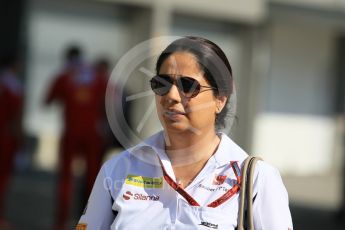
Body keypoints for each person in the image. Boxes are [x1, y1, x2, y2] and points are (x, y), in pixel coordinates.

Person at [77, 36, 293, 229]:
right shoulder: (118, 170)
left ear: (221, 99)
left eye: (187, 85)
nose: (171, 95)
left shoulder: (256, 180)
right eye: (161, 83)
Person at [45, 46, 107, 229]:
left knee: (66, 178)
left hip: (71, 132)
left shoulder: (64, 76)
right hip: (92, 133)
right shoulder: (96, 75)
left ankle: (61, 221)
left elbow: (48, 101)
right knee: (92, 179)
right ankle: (91, 221)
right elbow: (109, 99)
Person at [0, 55, 23, 224]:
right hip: (5, 137)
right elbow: (16, 117)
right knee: (3, 178)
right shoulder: (13, 86)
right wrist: (19, 140)